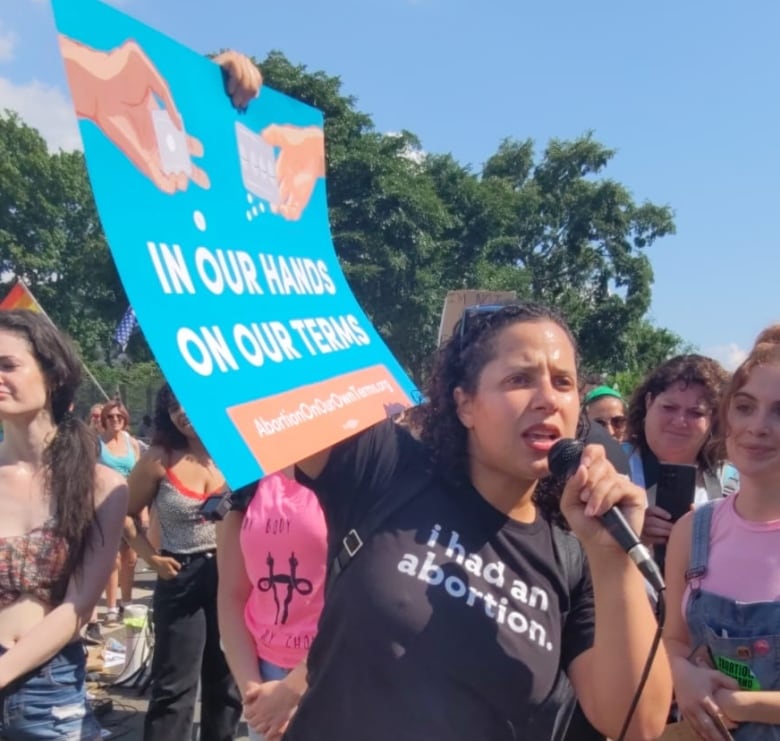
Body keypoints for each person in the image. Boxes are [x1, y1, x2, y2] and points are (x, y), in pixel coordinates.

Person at [291, 302, 671, 740]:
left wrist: (612, 558)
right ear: (465, 404)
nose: (548, 398)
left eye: (563, 382)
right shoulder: (386, 467)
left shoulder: (573, 561)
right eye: (519, 379)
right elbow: (273, 375)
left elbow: (637, 723)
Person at [0, 310, 127, 739]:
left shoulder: (101, 485)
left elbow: (78, 608)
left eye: (8, 365)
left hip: (45, 691)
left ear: (52, 376)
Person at [664, 326, 780, 739]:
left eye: (779, 412)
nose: (758, 426)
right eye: (745, 407)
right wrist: (682, 675)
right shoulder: (692, 531)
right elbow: (673, 639)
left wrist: (739, 705)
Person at [124, 383, 241, 741]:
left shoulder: (237, 452)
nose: (182, 413)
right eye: (174, 406)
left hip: (233, 576)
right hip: (180, 575)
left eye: (189, 402)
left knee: (227, 682)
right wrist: (152, 559)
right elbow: (124, 515)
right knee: (175, 686)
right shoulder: (160, 458)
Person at [217, 470, 327, 741]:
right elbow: (231, 595)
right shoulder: (243, 478)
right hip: (263, 675)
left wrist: (294, 688)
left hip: (333, 669)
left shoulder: (350, 470)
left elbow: (360, 597)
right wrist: (252, 694)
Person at [624, 355, 738, 551]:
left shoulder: (733, 485)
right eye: (669, 407)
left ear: (715, 418)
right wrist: (629, 535)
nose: (679, 421)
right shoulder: (613, 466)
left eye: (696, 413)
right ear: (649, 402)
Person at [99, 400, 142, 625]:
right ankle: (112, 607)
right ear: (104, 420)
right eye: (110, 416)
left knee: (131, 558)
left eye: (119, 416)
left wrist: (143, 510)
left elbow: (139, 474)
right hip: (107, 506)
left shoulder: (131, 442)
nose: (115, 420)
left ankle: (127, 602)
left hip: (132, 505)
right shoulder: (97, 444)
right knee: (112, 559)